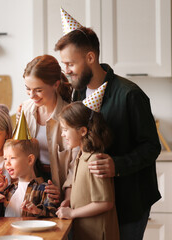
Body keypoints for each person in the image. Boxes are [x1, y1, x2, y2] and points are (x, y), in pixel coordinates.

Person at [55, 26, 161, 240]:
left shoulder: (130, 95)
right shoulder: (78, 92)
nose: (66, 70)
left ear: (90, 57)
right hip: (91, 205)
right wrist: (71, 193)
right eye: (63, 64)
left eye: (70, 63)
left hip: (128, 202)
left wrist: (117, 165)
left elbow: (151, 147)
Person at [56, 83, 119, 240]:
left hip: (98, 234)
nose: (62, 134)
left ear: (82, 131)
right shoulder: (81, 156)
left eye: (65, 129)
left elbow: (105, 203)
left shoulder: (95, 161)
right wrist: (70, 201)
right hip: (85, 233)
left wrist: (73, 213)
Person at [18, 55, 78, 206]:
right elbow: (19, 151)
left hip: (63, 185)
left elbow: (74, 165)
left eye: (38, 90)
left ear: (56, 84)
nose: (32, 96)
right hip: (33, 184)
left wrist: (66, 198)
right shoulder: (25, 110)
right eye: (28, 89)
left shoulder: (69, 115)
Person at [0, 113, 58, 217]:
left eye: (12, 158)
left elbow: (53, 214)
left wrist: (38, 211)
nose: (7, 163)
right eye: (5, 159)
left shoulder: (45, 189)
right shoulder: (9, 190)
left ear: (30, 160)